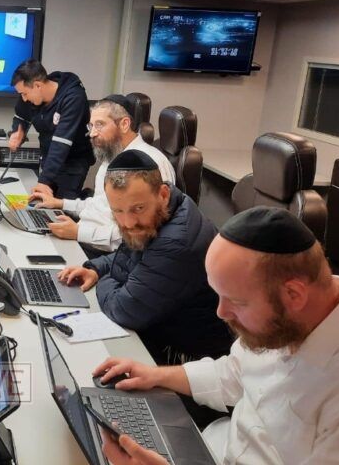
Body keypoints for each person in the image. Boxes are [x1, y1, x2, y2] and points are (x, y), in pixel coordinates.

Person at [94, 207, 339, 465]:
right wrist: (155, 375)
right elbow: (235, 371)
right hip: (215, 446)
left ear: (293, 295)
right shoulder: (283, 320)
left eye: (236, 301)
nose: (221, 312)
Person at [58, 150, 231, 364]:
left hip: (183, 356)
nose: (128, 222)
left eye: (138, 208)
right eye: (117, 211)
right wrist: (95, 269)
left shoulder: (176, 242)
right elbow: (129, 255)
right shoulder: (167, 209)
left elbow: (123, 310)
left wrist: (105, 279)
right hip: (159, 326)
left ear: (163, 194)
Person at [31, 95, 174, 257]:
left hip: (104, 253)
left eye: (100, 125)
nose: (92, 133)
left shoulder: (148, 164)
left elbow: (139, 233)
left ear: (124, 124)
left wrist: (79, 232)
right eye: (91, 126)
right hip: (83, 238)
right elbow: (99, 204)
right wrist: (60, 203)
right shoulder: (112, 156)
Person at [8, 59, 94, 199]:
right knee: (43, 202)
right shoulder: (31, 95)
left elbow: (61, 143)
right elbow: (21, 117)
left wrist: (44, 182)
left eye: (24, 94)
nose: (23, 99)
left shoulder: (73, 97)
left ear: (37, 85)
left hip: (73, 163)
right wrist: (17, 132)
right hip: (49, 159)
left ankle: (84, 199)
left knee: (62, 206)